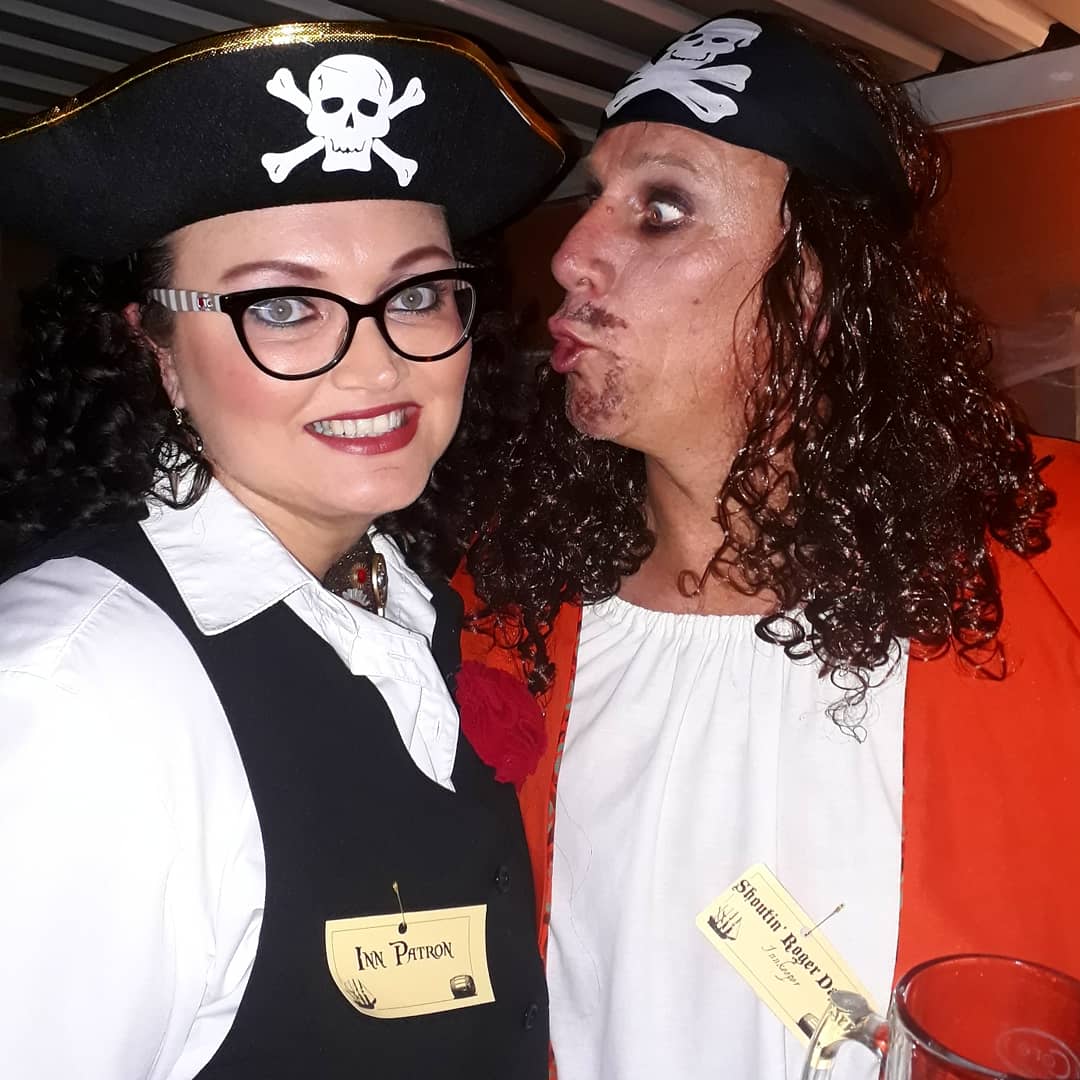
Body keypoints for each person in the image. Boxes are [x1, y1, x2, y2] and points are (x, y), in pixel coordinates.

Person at [453, 10, 1080, 1080]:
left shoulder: (1057, 565)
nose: (569, 253)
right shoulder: (490, 606)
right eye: (594, 198)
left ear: (817, 286)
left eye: (660, 209)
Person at [0, 21, 567, 1080]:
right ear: (158, 351)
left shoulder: (410, 598)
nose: (377, 366)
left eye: (415, 293)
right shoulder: (75, 697)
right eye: (286, 306)